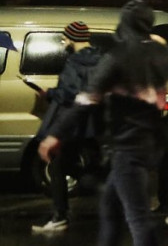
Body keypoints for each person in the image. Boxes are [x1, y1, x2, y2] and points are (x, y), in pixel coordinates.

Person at [38, 0, 168, 246]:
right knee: (110, 206)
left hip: (127, 143)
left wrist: (54, 134)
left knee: (137, 217)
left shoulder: (117, 56)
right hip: (153, 141)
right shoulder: (163, 53)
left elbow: (85, 101)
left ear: (125, 23)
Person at [32, 21, 103, 233]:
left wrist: (49, 93)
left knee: (58, 166)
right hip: (94, 123)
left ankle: (60, 215)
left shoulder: (74, 61)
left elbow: (68, 93)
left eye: (66, 38)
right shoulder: (102, 59)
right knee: (87, 166)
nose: (65, 42)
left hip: (72, 123)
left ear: (71, 38)